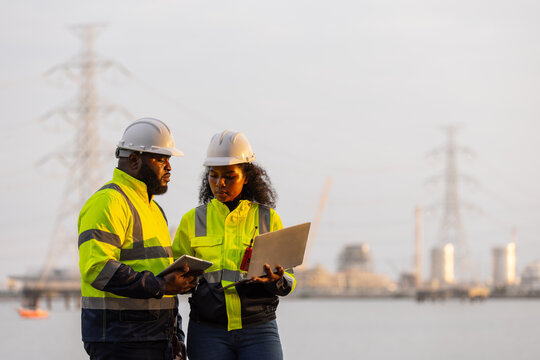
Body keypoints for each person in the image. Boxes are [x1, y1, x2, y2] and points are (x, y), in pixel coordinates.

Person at [78, 118, 199, 360]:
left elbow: (159, 273)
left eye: (169, 160)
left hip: (156, 338)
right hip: (120, 340)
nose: (169, 167)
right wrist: (162, 285)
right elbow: (97, 268)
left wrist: (176, 336)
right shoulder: (109, 202)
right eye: (161, 159)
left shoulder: (154, 209)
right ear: (134, 160)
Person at [172, 129, 295, 360]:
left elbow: (288, 280)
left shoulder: (267, 219)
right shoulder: (192, 220)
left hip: (259, 330)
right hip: (208, 331)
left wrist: (275, 280)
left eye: (229, 176)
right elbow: (174, 279)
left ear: (246, 176)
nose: (220, 183)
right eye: (213, 175)